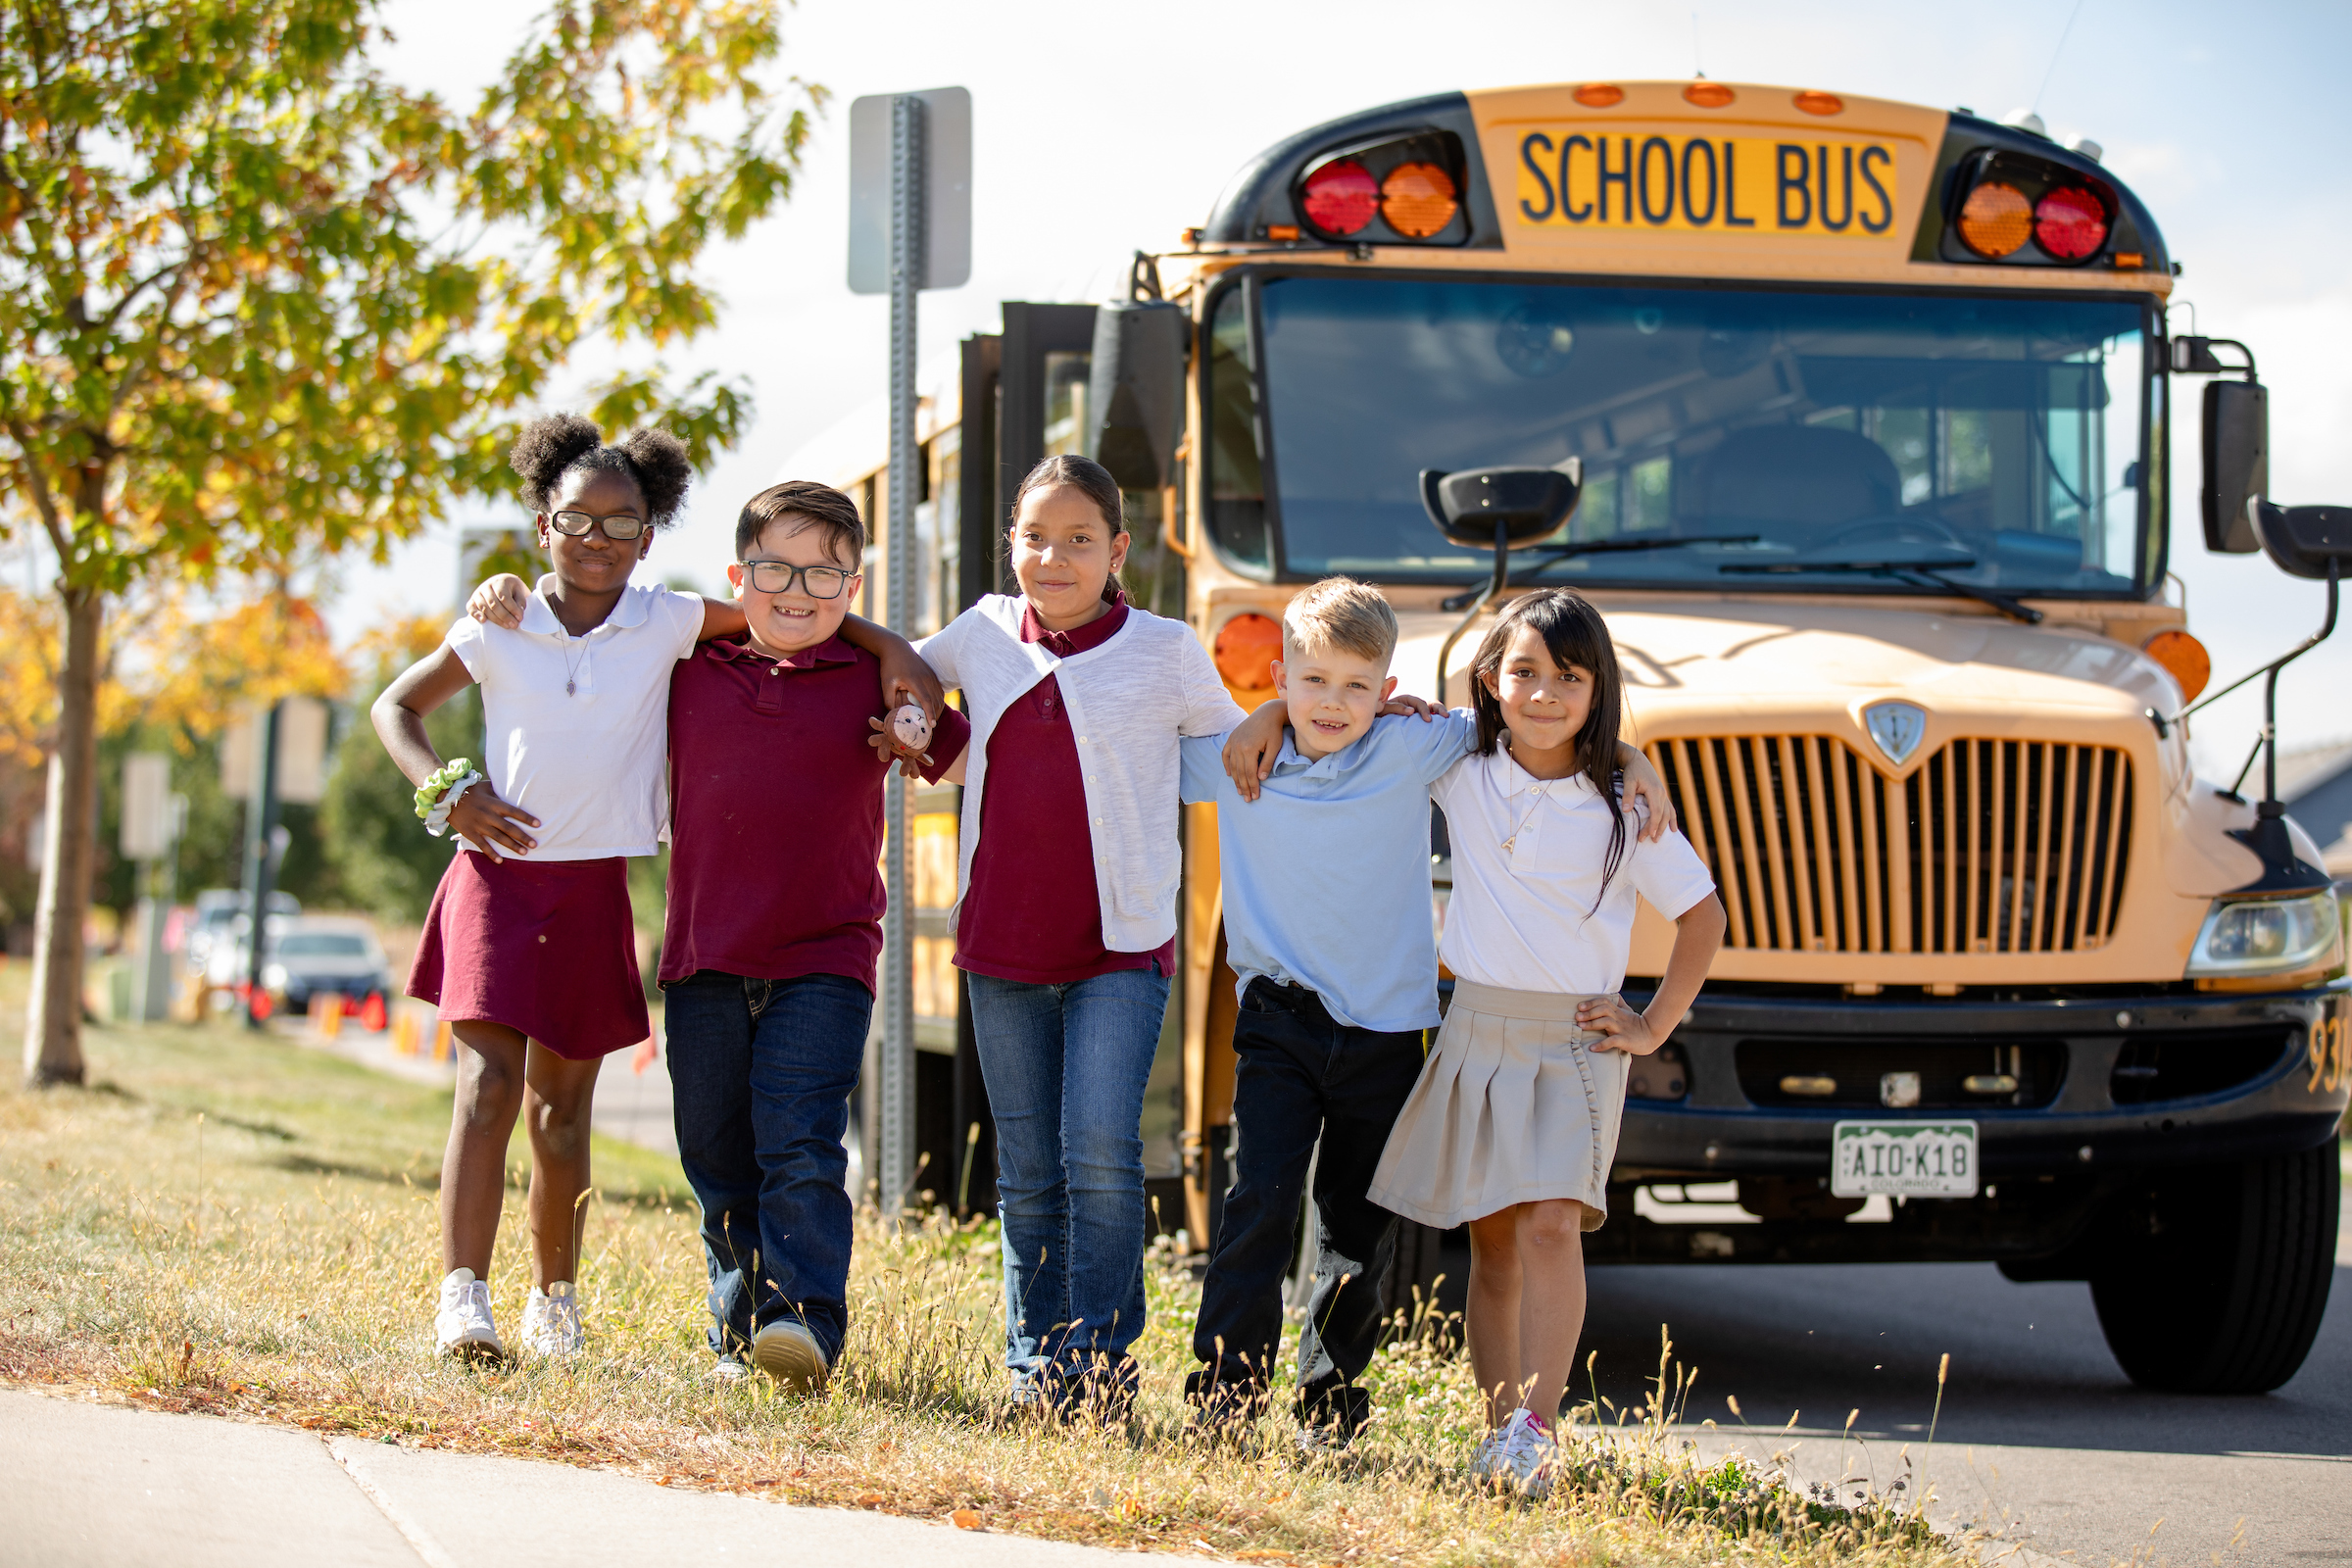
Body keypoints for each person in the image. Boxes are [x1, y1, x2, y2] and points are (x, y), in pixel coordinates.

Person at [383, 416, 936, 1362]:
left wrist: (894, 654)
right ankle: (461, 1302)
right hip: (496, 882)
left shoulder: (668, 618)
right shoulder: (498, 621)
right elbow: (396, 707)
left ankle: (554, 1305)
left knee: (563, 1115)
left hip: (595, 891)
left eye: (621, 522)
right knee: (485, 1093)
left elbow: (793, 616)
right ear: (542, 520)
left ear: (651, 533)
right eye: (575, 519)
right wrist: (449, 794)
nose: (596, 538)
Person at [1190, 579, 1674, 1449]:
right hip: (1277, 1019)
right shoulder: (1242, 756)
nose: (1333, 704)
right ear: (1281, 674)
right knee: (1256, 1203)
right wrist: (1261, 715)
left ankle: (1329, 1406)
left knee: (1357, 1226)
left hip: (1385, 1029)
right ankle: (1225, 1403)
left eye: (1357, 686)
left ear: (1386, 689)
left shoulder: (1415, 746)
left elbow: (1539, 729)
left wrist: (1631, 760)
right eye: (1312, 681)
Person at [911, 454, 1251, 1419]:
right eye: (1034, 538)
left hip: (1122, 947)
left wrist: (1363, 723)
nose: (1053, 557)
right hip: (1001, 945)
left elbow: (1242, 747)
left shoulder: (1167, 648)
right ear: (1009, 546)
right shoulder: (979, 634)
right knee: (1026, 1167)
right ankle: (1033, 1364)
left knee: (1099, 1149)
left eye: (1078, 540)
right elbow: (897, 676)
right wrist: (927, 734)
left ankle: (1099, 1369)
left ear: (1118, 551)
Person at [1363, 587, 1726, 1493]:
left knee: (1555, 1225)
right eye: (1524, 672)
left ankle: (1538, 1430)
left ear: (1599, 689)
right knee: (1490, 1244)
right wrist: (1388, 704)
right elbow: (1362, 712)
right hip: (1479, 1028)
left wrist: (1652, 1026)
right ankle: (1494, 1428)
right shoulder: (1463, 769)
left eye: (1570, 677)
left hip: (1578, 1042)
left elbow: (1703, 916)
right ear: (1490, 678)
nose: (1544, 694)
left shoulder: (1623, 804)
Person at [656, 480, 968, 1394]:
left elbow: (942, 750)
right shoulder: (688, 667)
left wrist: (903, 695)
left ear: (855, 585)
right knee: (715, 1147)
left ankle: (804, 1325)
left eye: (824, 576)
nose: (797, 591)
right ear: (736, 576)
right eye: (774, 569)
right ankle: (739, 1328)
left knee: (797, 1140)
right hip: (704, 952)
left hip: (825, 956)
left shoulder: (876, 681)